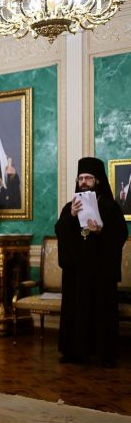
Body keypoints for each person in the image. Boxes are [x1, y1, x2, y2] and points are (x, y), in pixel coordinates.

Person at [55, 157, 127, 368]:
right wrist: (71, 216)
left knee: (101, 311)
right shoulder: (70, 207)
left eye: (88, 178)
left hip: (100, 271)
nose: (84, 182)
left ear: (97, 181)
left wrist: (101, 231)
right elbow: (59, 230)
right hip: (76, 271)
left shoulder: (111, 207)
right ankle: (74, 352)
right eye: (81, 178)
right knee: (76, 311)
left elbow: (120, 235)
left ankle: (106, 354)